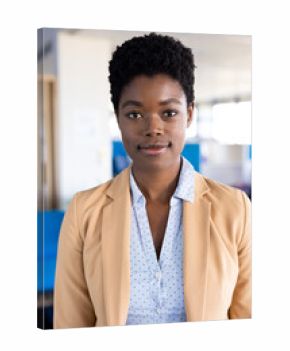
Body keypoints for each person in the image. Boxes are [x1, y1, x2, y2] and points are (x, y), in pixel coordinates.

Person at [53, 32, 251, 329]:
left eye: (169, 112)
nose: (153, 128)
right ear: (118, 119)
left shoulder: (235, 209)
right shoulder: (84, 212)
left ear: (189, 115)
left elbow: (250, 323)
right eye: (134, 114)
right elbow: (70, 327)